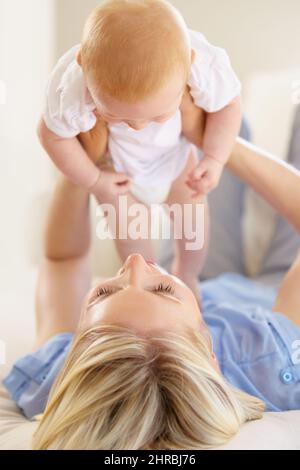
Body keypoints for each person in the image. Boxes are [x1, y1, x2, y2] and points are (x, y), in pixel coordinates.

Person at [3, 121, 300, 449]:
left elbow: (63, 260)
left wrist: (84, 167)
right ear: (210, 350)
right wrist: (222, 145)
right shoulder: (268, 362)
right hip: (270, 295)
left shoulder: (55, 377)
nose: (134, 264)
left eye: (105, 290)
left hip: (189, 274)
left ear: (72, 351)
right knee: (219, 135)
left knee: (212, 128)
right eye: (159, 289)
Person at [37, 0, 242, 300]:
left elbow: (228, 104)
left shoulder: (200, 62)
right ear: (83, 64)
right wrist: (94, 179)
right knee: (133, 247)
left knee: (193, 226)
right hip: (115, 168)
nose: (136, 126)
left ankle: (187, 274)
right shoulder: (71, 86)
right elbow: (51, 136)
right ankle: (148, 291)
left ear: (189, 65)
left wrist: (215, 157)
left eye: (157, 115)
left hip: (176, 160)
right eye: (117, 116)